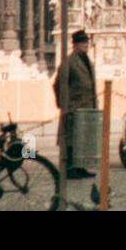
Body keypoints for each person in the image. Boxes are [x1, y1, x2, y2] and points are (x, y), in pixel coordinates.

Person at [53, 29, 98, 178]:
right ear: (75, 45)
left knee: (82, 138)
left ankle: (80, 167)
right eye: (82, 43)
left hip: (87, 106)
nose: (86, 45)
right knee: (71, 140)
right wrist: (64, 105)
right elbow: (58, 84)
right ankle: (70, 169)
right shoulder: (69, 62)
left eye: (86, 42)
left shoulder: (87, 61)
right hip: (74, 107)